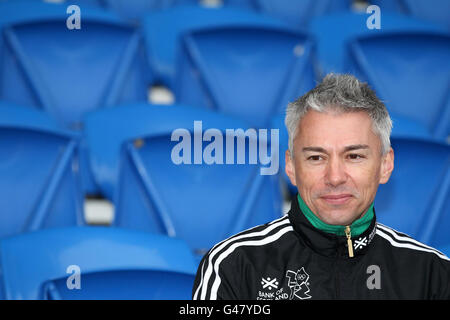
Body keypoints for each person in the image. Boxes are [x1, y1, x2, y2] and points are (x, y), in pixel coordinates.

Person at [192, 73, 450, 300]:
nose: (335, 177)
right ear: (291, 167)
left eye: (354, 156)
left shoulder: (433, 275)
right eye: (316, 157)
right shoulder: (234, 266)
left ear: (385, 165)